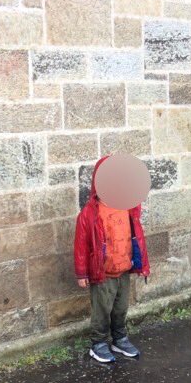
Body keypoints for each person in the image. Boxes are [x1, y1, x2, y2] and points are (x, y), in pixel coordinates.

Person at [74, 156, 150, 364]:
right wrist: (82, 273)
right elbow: (81, 245)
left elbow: (137, 236)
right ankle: (98, 343)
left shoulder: (129, 207)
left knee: (120, 308)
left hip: (123, 267)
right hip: (103, 272)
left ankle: (120, 338)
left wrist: (141, 263)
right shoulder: (90, 213)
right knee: (102, 310)